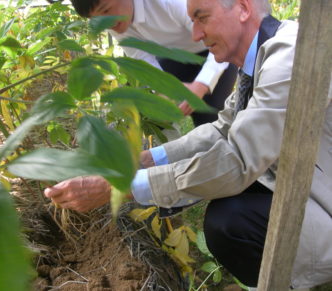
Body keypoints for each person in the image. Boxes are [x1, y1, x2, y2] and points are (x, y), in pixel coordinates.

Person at [45, 0, 332, 289]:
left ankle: (289, 280)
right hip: (310, 185)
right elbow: (221, 131)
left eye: (201, 18)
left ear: (243, 8)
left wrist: (120, 188)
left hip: (324, 201)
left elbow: (237, 160)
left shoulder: (288, 58)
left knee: (230, 223)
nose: (194, 36)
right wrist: (147, 160)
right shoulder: (258, 60)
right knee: (226, 206)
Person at [71, 0, 238, 126]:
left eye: (106, 10)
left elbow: (223, 41)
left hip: (217, 50)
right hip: (176, 56)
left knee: (210, 120)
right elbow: (141, 57)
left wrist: (201, 86)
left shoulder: (169, 2)